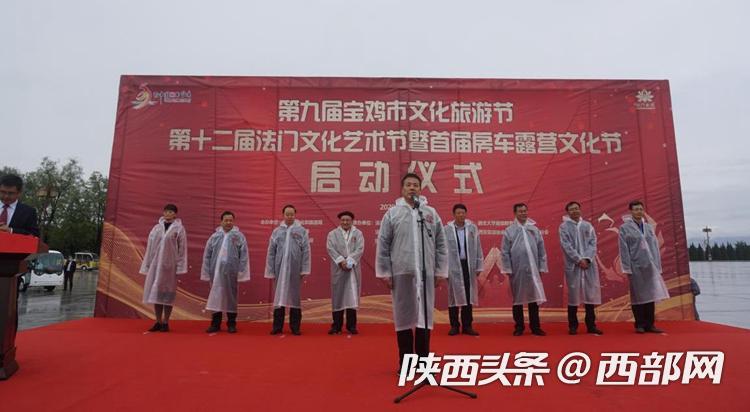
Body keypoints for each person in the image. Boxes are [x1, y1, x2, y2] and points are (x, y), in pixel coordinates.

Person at [376, 173, 448, 371]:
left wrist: (440, 270)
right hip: (402, 272)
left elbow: (441, 244)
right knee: (404, 318)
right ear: (402, 189)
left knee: (424, 317)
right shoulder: (392, 214)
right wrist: (385, 272)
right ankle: (406, 363)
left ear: (420, 189)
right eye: (408, 185)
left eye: (415, 185)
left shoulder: (430, 213)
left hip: (426, 273)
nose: (412, 188)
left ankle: (424, 364)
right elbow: (383, 244)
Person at [618, 200, 669, 334]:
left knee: (650, 295)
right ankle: (639, 324)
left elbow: (654, 247)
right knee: (638, 296)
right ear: (630, 211)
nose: (639, 211)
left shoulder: (648, 227)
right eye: (636, 209)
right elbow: (623, 249)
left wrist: (657, 265)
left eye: (641, 209)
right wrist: (627, 268)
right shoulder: (624, 228)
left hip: (650, 266)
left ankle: (650, 324)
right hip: (635, 266)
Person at [500, 203, 548, 336]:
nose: (523, 213)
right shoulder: (509, 230)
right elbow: (505, 252)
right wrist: (508, 268)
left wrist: (542, 266)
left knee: (534, 299)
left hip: (533, 270)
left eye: (525, 211)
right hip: (517, 269)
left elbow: (541, 249)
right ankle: (519, 327)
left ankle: (535, 327)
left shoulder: (534, 229)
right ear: (515, 213)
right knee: (517, 300)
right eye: (520, 211)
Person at [140, 204, 188, 333]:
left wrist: (180, 266)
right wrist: (148, 263)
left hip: (170, 266)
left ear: (175, 214)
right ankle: (158, 321)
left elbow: (182, 249)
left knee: (168, 294)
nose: (168, 214)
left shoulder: (179, 229)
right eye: (166, 211)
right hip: (156, 265)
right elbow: (150, 246)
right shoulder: (156, 228)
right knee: (157, 293)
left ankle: (166, 322)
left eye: (171, 212)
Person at [201, 211, 250, 334]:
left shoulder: (239, 237)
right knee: (216, 296)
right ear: (221, 221)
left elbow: (244, 256)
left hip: (231, 272)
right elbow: (207, 255)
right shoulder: (214, 237)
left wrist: (241, 271)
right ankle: (215, 323)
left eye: (230, 220)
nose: (228, 222)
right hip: (216, 272)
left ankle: (231, 324)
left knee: (231, 297)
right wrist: (206, 271)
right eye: (226, 220)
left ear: (233, 221)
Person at [265, 205, 311, 335]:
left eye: (292, 214)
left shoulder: (301, 231)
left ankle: (295, 327)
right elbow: (271, 251)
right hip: (280, 269)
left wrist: (304, 269)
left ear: (295, 215)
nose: (289, 216)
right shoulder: (277, 231)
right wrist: (271, 270)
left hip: (295, 269)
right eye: (287, 214)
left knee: (294, 298)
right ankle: (277, 326)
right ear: (283, 215)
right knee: (279, 297)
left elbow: (306, 251)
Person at [559, 201, 603, 335]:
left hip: (588, 265)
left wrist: (587, 259)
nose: (575, 211)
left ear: (580, 210)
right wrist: (578, 259)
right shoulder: (563, 227)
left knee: (590, 296)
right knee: (573, 296)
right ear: (568, 212)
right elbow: (566, 245)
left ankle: (591, 325)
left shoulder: (587, 226)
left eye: (576, 208)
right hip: (574, 266)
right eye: (572, 209)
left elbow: (593, 243)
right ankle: (573, 326)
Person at [444, 203, 484, 336]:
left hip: (468, 265)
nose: (461, 215)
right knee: (453, 297)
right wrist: (443, 269)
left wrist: (479, 265)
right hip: (453, 266)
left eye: (463, 213)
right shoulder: (447, 229)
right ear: (454, 214)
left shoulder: (472, 228)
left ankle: (467, 326)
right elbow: (442, 250)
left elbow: (478, 247)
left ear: (466, 214)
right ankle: (454, 325)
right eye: (458, 213)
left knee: (468, 296)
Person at [326, 211, 365, 335]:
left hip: (353, 270)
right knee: (338, 297)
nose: (345, 222)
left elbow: (360, 249)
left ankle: (351, 326)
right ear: (340, 221)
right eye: (343, 220)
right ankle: (336, 326)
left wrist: (350, 261)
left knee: (352, 297)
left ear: (352, 221)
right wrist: (341, 261)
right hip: (339, 269)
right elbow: (330, 248)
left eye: (348, 220)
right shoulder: (332, 234)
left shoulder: (358, 233)